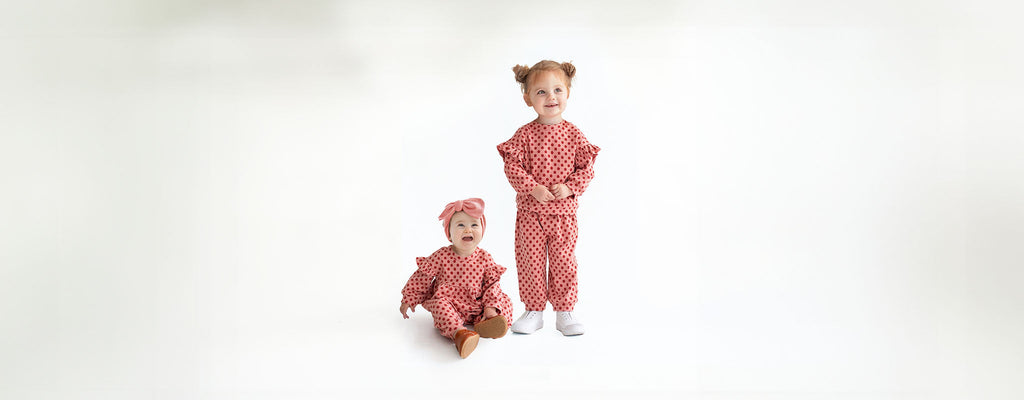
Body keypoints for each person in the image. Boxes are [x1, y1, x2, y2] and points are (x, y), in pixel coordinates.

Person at [497, 60, 600, 336]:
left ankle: (565, 311)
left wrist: (570, 187)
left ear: (567, 94)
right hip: (530, 214)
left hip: (563, 215)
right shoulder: (524, 135)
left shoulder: (574, 135)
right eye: (541, 92)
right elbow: (512, 166)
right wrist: (532, 187)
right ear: (527, 98)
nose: (550, 97)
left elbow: (587, 168)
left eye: (557, 90)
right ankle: (534, 311)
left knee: (564, 261)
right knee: (530, 261)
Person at [399, 198, 513, 358]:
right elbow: (422, 276)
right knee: (440, 306)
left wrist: (490, 307)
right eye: (461, 225)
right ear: (449, 234)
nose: (468, 230)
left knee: (504, 300)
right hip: (450, 305)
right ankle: (460, 334)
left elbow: (492, 284)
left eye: (474, 225)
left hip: (477, 306)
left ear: (482, 230)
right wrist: (409, 298)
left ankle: (489, 321)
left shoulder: (485, 257)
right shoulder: (441, 256)